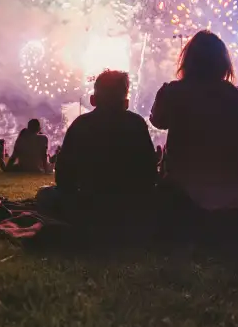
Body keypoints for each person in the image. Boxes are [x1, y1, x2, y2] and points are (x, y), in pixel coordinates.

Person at [150, 30, 238, 214]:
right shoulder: (233, 94)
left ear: (188, 60)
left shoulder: (173, 92)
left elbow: (157, 120)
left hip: (184, 194)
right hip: (232, 195)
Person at [51, 70, 158, 231]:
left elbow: (63, 176)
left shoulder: (81, 124)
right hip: (131, 209)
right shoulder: (136, 123)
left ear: (94, 99)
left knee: (45, 196)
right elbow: (149, 174)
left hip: (88, 205)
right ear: (125, 100)